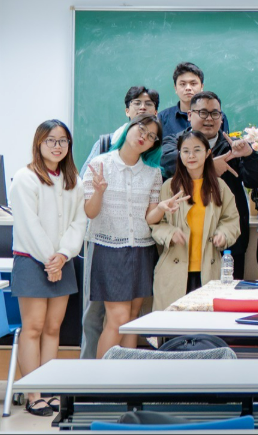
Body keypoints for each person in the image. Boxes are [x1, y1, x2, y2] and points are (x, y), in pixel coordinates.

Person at [10, 120, 87, 416]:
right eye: (51, 140)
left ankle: (48, 388)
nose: (57, 146)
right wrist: (49, 260)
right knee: (33, 328)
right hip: (32, 260)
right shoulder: (25, 178)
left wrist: (63, 255)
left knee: (53, 328)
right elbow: (29, 225)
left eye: (63, 141)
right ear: (39, 143)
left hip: (62, 261)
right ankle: (33, 394)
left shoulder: (73, 180)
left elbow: (79, 221)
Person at [160, 91, 258, 281]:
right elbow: (167, 163)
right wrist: (210, 165)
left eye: (215, 113)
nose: (209, 119)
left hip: (228, 243)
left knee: (226, 297)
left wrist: (249, 155)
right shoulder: (175, 142)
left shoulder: (232, 146)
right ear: (189, 115)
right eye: (203, 112)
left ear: (221, 117)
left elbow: (257, 180)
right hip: (184, 241)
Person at [81, 115, 164, 359]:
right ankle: (100, 379)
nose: (144, 137)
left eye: (151, 136)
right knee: (117, 319)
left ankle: (125, 377)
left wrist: (162, 207)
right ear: (129, 128)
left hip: (142, 249)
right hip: (108, 248)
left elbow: (149, 218)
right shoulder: (100, 164)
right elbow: (90, 212)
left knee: (132, 319)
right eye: (142, 129)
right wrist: (98, 192)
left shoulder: (153, 173)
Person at [150, 129, 240, 310]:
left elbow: (231, 220)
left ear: (208, 153)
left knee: (205, 322)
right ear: (179, 154)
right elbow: (156, 223)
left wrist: (223, 234)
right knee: (174, 323)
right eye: (186, 151)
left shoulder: (220, 187)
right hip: (174, 271)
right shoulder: (170, 186)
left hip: (209, 269)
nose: (191, 156)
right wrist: (170, 233)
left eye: (197, 150)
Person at [86, 86, 160, 163]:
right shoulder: (106, 143)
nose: (143, 107)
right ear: (127, 111)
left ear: (156, 113)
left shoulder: (160, 147)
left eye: (148, 104)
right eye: (137, 103)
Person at [158, 62, 228, 137]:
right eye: (183, 84)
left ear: (202, 87)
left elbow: (224, 142)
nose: (188, 88)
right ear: (175, 88)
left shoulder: (217, 116)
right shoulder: (162, 118)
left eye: (193, 84)